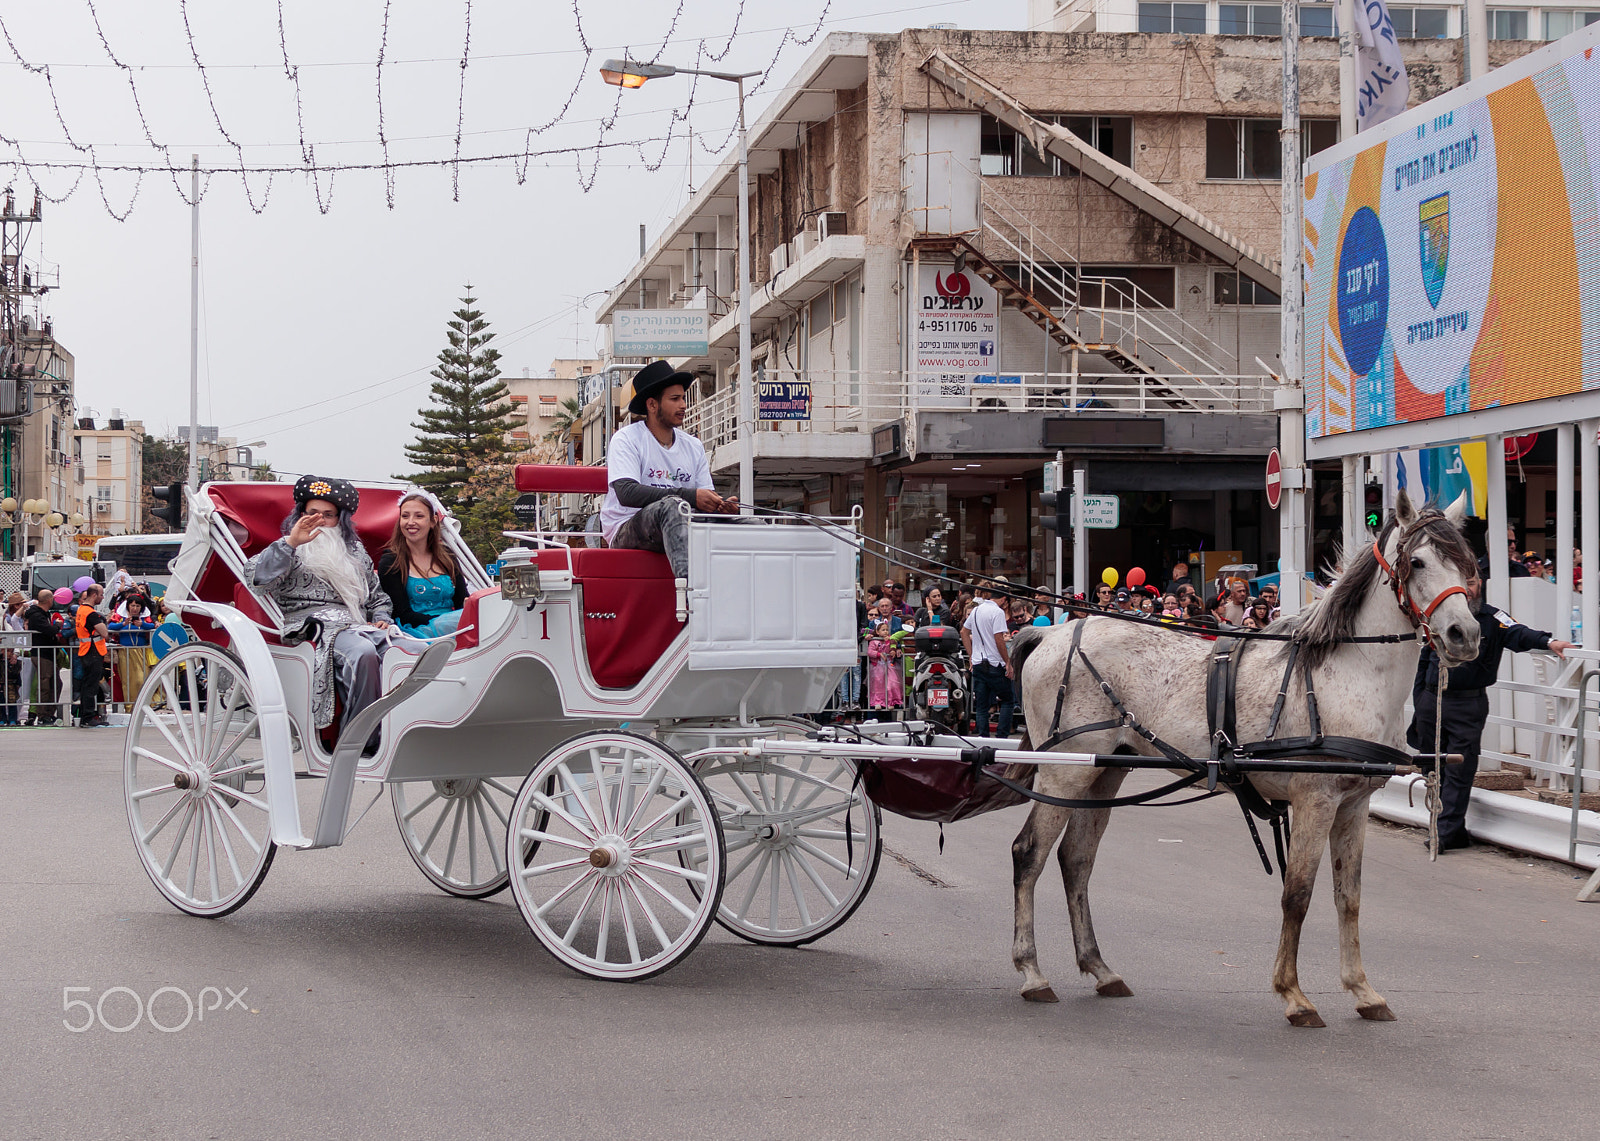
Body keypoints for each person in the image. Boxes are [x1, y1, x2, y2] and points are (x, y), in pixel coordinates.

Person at [1409, 578, 1573, 851]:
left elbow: (1519, 633)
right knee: (1432, 769)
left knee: (1460, 770)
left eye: (1471, 582)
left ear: (1480, 585)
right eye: (1461, 583)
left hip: (1467, 706)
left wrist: (1549, 642)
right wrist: (1420, 700)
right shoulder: (1436, 615)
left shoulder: (1492, 618)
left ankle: (1443, 833)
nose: (1466, 589)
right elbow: (1424, 658)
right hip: (1430, 701)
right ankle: (1454, 830)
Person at [244, 475, 394, 752]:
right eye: (312, 513)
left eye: (328, 515)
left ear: (341, 519)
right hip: (311, 628)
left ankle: (399, 732)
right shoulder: (288, 548)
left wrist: (382, 616)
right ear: (300, 515)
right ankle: (358, 743)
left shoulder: (356, 553)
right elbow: (256, 577)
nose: (320, 521)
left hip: (359, 624)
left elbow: (377, 597)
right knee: (361, 653)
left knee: (404, 650)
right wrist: (290, 543)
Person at [599, 359, 738, 580]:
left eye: (683, 398)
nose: (683, 405)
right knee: (673, 507)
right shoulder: (626, 439)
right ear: (652, 405)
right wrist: (690, 497)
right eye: (675, 399)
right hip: (626, 527)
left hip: (682, 520)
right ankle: (689, 593)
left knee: (749, 524)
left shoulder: (693, 445)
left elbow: (704, 497)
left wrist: (720, 507)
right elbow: (626, 493)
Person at [378, 493, 468, 639]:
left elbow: (462, 601)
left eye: (419, 516)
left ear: (433, 521)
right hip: (416, 631)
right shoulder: (391, 560)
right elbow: (401, 613)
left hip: (455, 626)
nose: (410, 522)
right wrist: (443, 622)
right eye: (405, 516)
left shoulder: (447, 556)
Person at [962, 578, 1014, 738]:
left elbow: (964, 632)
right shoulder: (997, 612)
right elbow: (999, 639)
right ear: (1004, 600)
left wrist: (971, 655)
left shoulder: (977, 610)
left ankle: (983, 737)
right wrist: (1008, 661)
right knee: (1007, 700)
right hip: (994, 662)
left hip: (978, 662)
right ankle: (1002, 736)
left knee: (982, 706)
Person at [72, 584, 111, 727]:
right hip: (93, 651)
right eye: (101, 595)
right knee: (90, 686)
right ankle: (88, 717)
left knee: (87, 685)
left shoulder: (81, 610)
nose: (102, 597)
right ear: (94, 595)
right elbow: (105, 633)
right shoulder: (92, 614)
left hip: (85, 650)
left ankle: (85, 716)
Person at [22, 588, 62, 725]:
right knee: (45, 684)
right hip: (42, 654)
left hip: (49, 654)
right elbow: (48, 630)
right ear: (49, 600)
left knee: (56, 684)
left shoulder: (43, 613)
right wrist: (57, 626)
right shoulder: (36, 615)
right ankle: (43, 714)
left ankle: (50, 712)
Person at [109, 594, 157, 701]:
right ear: (128, 606)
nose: (135, 608)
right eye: (132, 605)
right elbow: (110, 626)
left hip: (141, 652)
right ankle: (130, 706)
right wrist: (123, 624)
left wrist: (142, 624)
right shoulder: (120, 617)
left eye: (137, 606)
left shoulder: (144, 618)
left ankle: (144, 703)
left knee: (142, 679)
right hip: (125, 653)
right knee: (127, 681)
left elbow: (153, 626)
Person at [866, 620, 903, 711]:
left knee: (892, 683)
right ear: (877, 632)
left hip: (889, 666)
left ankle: (891, 702)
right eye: (883, 630)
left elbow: (890, 649)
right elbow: (870, 652)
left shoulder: (891, 640)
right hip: (878, 667)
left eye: (887, 630)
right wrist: (879, 654)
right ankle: (878, 702)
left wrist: (888, 643)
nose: (886, 632)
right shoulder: (874, 641)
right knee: (878, 685)